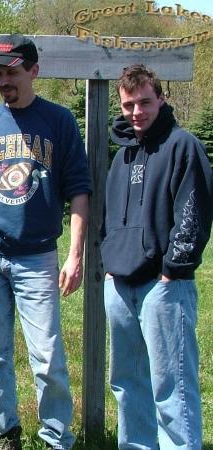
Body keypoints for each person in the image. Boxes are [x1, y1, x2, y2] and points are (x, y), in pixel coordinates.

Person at [0, 34, 91, 450]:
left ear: (34, 72)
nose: (3, 81)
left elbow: (79, 191)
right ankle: (6, 432)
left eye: (11, 73)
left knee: (46, 357)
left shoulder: (59, 121)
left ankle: (57, 439)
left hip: (37, 258)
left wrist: (74, 256)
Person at [102, 64, 212, 449]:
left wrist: (172, 272)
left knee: (172, 388)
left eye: (145, 102)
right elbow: (109, 217)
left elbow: (193, 215)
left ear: (161, 99)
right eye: (129, 105)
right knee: (127, 385)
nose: (137, 112)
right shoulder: (122, 156)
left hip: (163, 288)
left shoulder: (183, 146)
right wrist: (109, 267)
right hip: (120, 286)